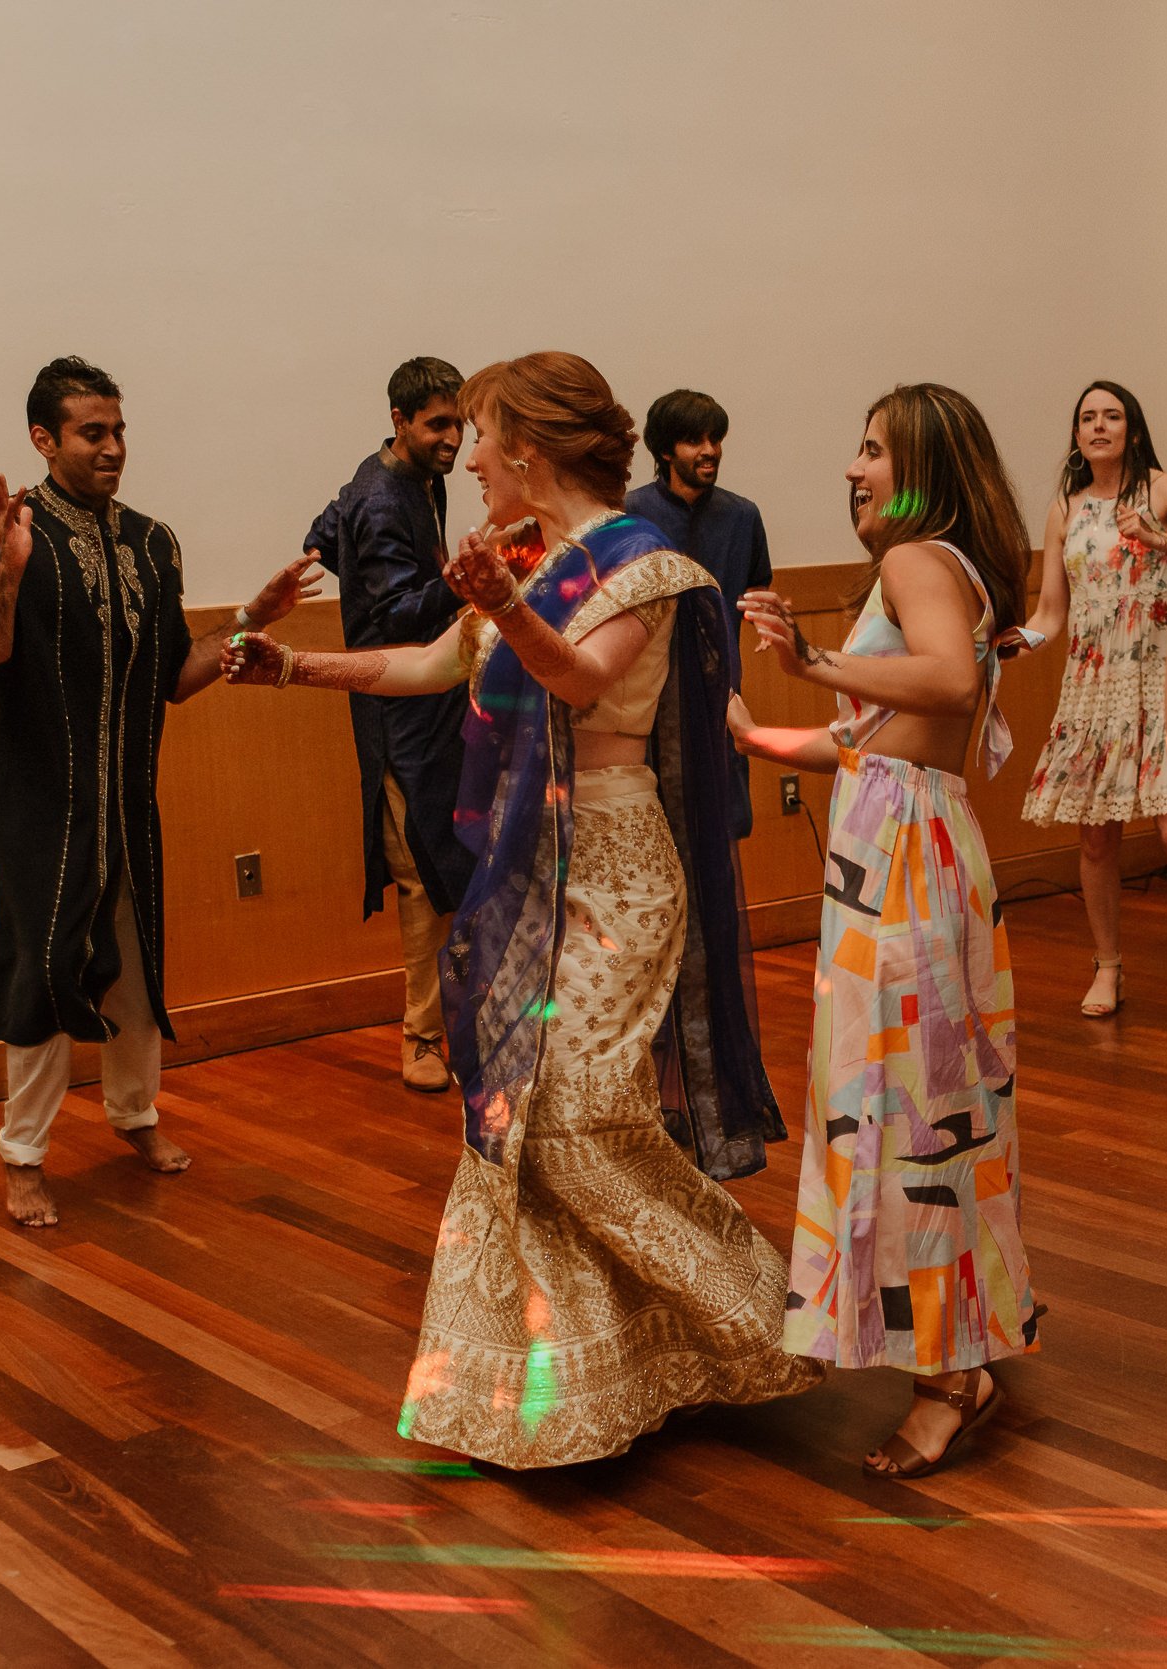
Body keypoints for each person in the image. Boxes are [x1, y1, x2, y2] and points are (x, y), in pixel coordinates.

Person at [225, 351, 818, 1465]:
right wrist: (293, 669)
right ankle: (581, 1379)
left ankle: (758, 1318)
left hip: (617, 869)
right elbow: (426, 666)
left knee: (581, 1114)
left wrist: (505, 603)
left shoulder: (643, 565)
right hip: (532, 864)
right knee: (521, 1121)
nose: (473, 460)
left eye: (485, 439)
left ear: (530, 451)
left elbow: (582, 682)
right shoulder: (522, 560)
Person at [728, 382, 1041, 1478]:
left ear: (921, 467)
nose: (852, 467)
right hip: (906, 844)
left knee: (905, 1112)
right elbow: (883, 732)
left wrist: (812, 663)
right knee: (913, 1108)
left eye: (872, 449)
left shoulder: (919, 560)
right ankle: (952, 1349)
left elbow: (949, 684)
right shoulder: (933, 569)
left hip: (905, 854)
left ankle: (952, 1377)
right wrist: (764, 733)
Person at [0, 356, 322, 1229]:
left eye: (120, 430)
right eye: (93, 433)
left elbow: (176, 680)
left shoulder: (154, 543)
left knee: (137, 965)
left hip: (125, 805)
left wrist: (249, 620)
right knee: (43, 967)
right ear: (44, 439)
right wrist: (8, 571)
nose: (114, 448)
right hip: (38, 805)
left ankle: (135, 1115)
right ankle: (24, 1156)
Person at [1018, 380, 1167, 1016]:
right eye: (1087, 417)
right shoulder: (1066, 506)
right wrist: (1013, 641)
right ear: (1078, 436)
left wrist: (1159, 538)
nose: (1098, 426)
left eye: (1112, 416)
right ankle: (1108, 966)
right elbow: (1050, 611)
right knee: (1096, 842)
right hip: (1093, 689)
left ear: (1133, 431)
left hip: (1159, 683)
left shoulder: (1161, 490)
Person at [302, 356, 474, 1090]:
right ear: (399, 421)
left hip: (439, 701)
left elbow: (320, 530)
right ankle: (421, 1037)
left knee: (455, 861)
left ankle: (462, 1023)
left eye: (459, 423)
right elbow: (399, 611)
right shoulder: (379, 500)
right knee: (419, 873)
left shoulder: (411, 478)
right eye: (438, 424)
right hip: (394, 713)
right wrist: (464, 581)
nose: (454, 438)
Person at [627, 388, 774, 837]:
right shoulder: (629, 513)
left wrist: (766, 619)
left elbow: (759, 587)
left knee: (721, 831)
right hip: (646, 706)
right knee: (657, 833)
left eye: (716, 439)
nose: (710, 451)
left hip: (719, 700)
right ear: (666, 450)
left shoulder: (742, 515)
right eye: (696, 441)